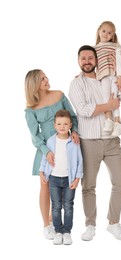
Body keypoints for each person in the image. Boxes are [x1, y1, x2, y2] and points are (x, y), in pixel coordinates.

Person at [68, 45, 121, 241]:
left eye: (90, 58)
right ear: (78, 61)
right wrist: (108, 106)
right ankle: (90, 224)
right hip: (89, 141)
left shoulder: (108, 78)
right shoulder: (76, 83)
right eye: (83, 58)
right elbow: (83, 110)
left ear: (96, 60)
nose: (87, 61)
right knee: (89, 185)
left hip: (112, 140)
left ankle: (114, 223)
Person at [24, 70, 79, 240]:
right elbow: (35, 136)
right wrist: (46, 152)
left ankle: (55, 221)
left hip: (66, 144)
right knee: (45, 186)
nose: (47, 80)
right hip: (46, 149)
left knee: (65, 183)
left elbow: (73, 117)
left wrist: (75, 131)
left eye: (46, 76)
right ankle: (46, 225)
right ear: (34, 84)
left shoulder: (59, 95)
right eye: (42, 79)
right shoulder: (30, 108)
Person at [39, 109, 83, 245]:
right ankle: (58, 231)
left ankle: (67, 232)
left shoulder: (74, 142)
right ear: (54, 125)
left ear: (70, 125)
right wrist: (41, 171)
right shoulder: (51, 141)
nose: (62, 127)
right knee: (56, 206)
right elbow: (45, 158)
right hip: (54, 179)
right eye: (59, 124)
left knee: (68, 206)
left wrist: (77, 178)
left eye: (65, 124)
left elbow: (79, 161)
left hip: (69, 179)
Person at [95, 21, 121, 136]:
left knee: (114, 98)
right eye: (104, 31)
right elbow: (91, 64)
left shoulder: (115, 47)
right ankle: (109, 120)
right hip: (103, 77)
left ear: (113, 35)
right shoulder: (94, 49)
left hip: (114, 76)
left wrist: (120, 76)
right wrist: (81, 74)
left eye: (109, 33)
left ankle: (117, 122)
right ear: (99, 31)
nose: (106, 34)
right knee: (105, 98)